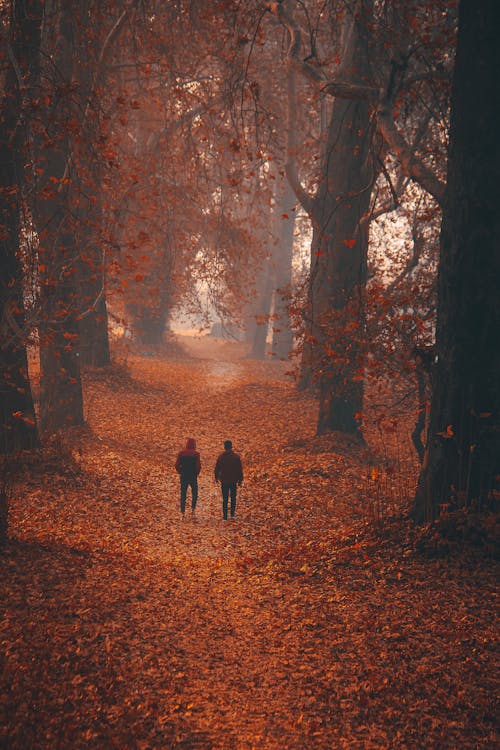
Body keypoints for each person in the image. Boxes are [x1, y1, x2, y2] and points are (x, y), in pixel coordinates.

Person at [214, 440, 243, 520]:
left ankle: (225, 516)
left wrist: (216, 477)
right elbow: (239, 470)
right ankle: (232, 515)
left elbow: (217, 468)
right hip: (233, 480)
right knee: (233, 498)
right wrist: (240, 480)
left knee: (225, 498)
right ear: (231, 447)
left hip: (224, 480)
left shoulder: (221, 457)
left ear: (224, 447)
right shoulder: (236, 457)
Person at [175, 437, 201, 516]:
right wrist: (196, 473)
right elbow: (198, 466)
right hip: (192, 476)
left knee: (183, 493)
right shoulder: (196, 454)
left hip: (184, 476)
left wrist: (180, 471)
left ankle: (182, 511)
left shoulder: (181, 453)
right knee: (195, 492)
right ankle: (193, 509)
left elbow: (176, 465)